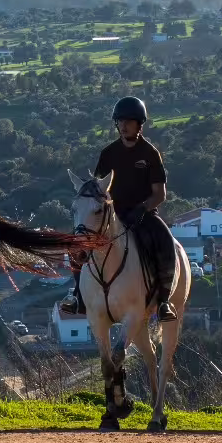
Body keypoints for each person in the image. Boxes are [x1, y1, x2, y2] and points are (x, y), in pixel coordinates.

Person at [60, 96, 179, 322]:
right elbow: (98, 188)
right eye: (120, 121)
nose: (123, 126)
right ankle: (78, 295)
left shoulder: (150, 153)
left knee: (164, 240)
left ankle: (164, 301)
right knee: (77, 242)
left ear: (139, 124)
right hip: (110, 214)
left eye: (128, 121)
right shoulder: (108, 153)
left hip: (142, 215)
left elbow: (159, 194)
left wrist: (142, 209)